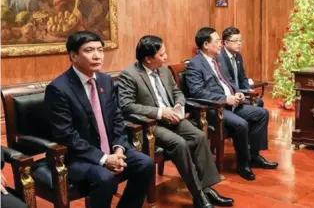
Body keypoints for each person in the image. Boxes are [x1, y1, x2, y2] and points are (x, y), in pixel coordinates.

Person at [118, 35, 234, 208]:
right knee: (179, 143)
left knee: (199, 136)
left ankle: (208, 188)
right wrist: (160, 112)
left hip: (173, 117)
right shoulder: (130, 75)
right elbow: (127, 106)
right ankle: (198, 195)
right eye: (162, 54)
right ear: (148, 59)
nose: (166, 57)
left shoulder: (164, 70)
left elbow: (176, 91)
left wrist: (179, 104)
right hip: (151, 124)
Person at [44, 31, 154, 208]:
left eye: (100, 50)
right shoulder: (58, 89)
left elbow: (117, 117)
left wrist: (118, 148)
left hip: (110, 148)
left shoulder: (105, 80)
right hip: (77, 157)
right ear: (73, 56)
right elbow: (66, 135)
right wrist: (103, 158)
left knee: (145, 163)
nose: (97, 56)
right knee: (105, 178)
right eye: (89, 50)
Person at [186, 27, 278, 181]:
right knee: (241, 124)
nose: (220, 44)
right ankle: (243, 164)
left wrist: (237, 93)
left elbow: (227, 81)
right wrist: (224, 98)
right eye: (216, 41)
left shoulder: (216, 60)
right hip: (213, 108)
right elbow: (197, 92)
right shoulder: (196, 64)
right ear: (206, 44)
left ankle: (254, 156)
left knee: (262, 113)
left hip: (230, 103)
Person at [218, 27, 263, 107]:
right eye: (235, 41)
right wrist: (240, 93)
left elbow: (242, 77)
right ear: (226, 43)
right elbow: (228, 81)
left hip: (240, 92)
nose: (239, 43)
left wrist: (249, 90)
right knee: (256, 104)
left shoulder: (238, 56)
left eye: (240, 40)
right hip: (231, 94)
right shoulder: (220, 57)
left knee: (258, 101)